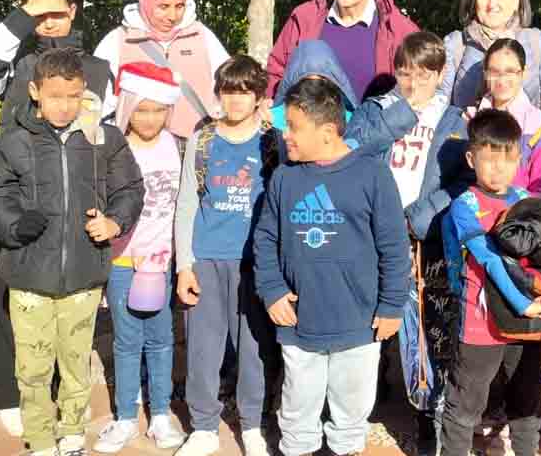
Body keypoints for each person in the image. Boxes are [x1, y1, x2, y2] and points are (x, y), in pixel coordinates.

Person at [0, 47, 144, 456]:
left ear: (85, 91)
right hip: (29, 277)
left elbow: (130, 189)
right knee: (32, 369)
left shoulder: (104, 140)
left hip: (83, 279)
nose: (65, 106)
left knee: (74, 364)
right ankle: (40, 439)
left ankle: (71, 435)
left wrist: (113, 223)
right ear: (35, 91)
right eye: (55, 96)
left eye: (73, 96)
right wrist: (15, 224)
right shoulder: (14, 142)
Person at [0, 0, 113, 437]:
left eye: (57, 13)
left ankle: (54, 392)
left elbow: (99, 141)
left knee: (66, 301)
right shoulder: (19, 67)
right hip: (16, 201)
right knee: (12, 296)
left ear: (75, 10)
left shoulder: (99, 69)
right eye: (40, 16)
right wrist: (24, 14)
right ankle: (10, 394)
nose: (49, 23)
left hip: (70, 200)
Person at [253, 77, 411, 456]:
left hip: (359, 323)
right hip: (299, 323)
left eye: (293, 126)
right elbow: (265, 239)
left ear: (326, 132)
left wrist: (391, 306)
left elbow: (393, 246)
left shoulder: (372, 174)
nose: (284, 134)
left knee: (351, 408)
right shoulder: (284, 178)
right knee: (297, 407)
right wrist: (272, 290)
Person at [344, 31, 470, 455]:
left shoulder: (454, 120)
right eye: (405, 70)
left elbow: (463, 180)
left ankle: (426, 416)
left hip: (423, 236)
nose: (413, 80)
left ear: (440, 74)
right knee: (365, 323)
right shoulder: (375, 110)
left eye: (424, 72)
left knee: (426, 326)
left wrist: (422, 213)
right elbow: (351, 152)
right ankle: (354, 415)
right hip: (372, 233)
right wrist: (401, 115)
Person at [173, 56, 279, 456]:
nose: (235, 100)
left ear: (258, 97)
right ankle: (202, 426)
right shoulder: (202, 141)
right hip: (207, 258)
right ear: (218, 94)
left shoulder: (272, 141)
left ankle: (252, 424)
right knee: (203, 345)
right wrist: (184, 265)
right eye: (228, 91)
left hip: (253, 262)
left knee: (253, 346)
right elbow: (186, 206)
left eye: (245, 92)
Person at [439, 109, 541, 456]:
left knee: (525, 402)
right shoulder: (465, 205)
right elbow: (490, 259)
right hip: (481, 324)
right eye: (489, 159)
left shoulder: (526, 202)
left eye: (507, 159)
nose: (498, 168)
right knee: (465, 405)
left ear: (519, 159)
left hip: (527, 324)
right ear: (472, 159)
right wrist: (524, 303)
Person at [93, 62, 189, 453]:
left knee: (161, 339)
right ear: (128, 106)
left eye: (158, 110)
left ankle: (162, 413)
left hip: (161, 262)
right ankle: (126, 417)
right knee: (127, 340)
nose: (149, 118)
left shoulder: (179, 145)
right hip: (121, 262)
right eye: (142, 109)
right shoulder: (112, 147)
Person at [267, 0, 420, 100]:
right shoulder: (304, 19)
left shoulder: (399, 29)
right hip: (310, 123)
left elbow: (419, 87)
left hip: (378, 123)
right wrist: (270, 104)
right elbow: (276, 70)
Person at [95, 0, 230, 138]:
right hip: (137, 147)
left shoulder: (202, 36)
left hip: (195, 145)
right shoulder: (118, 41)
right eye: (163, 7)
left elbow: (229, 85)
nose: (172, 16)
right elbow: (99, 102)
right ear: (146, 2)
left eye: (179, 6)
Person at [440, 0, 541, 118]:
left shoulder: (536, 42)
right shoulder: (455, 44)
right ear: (473, 1)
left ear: (516, 1)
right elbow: (440, 107)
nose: (492, 4)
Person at [466, 38, 541, 198]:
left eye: (509, 71)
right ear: (485, 74)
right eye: (494, 71)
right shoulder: (469, 119)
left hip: (518, 217)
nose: (501, 80)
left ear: (523, 73)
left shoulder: (538, 127)